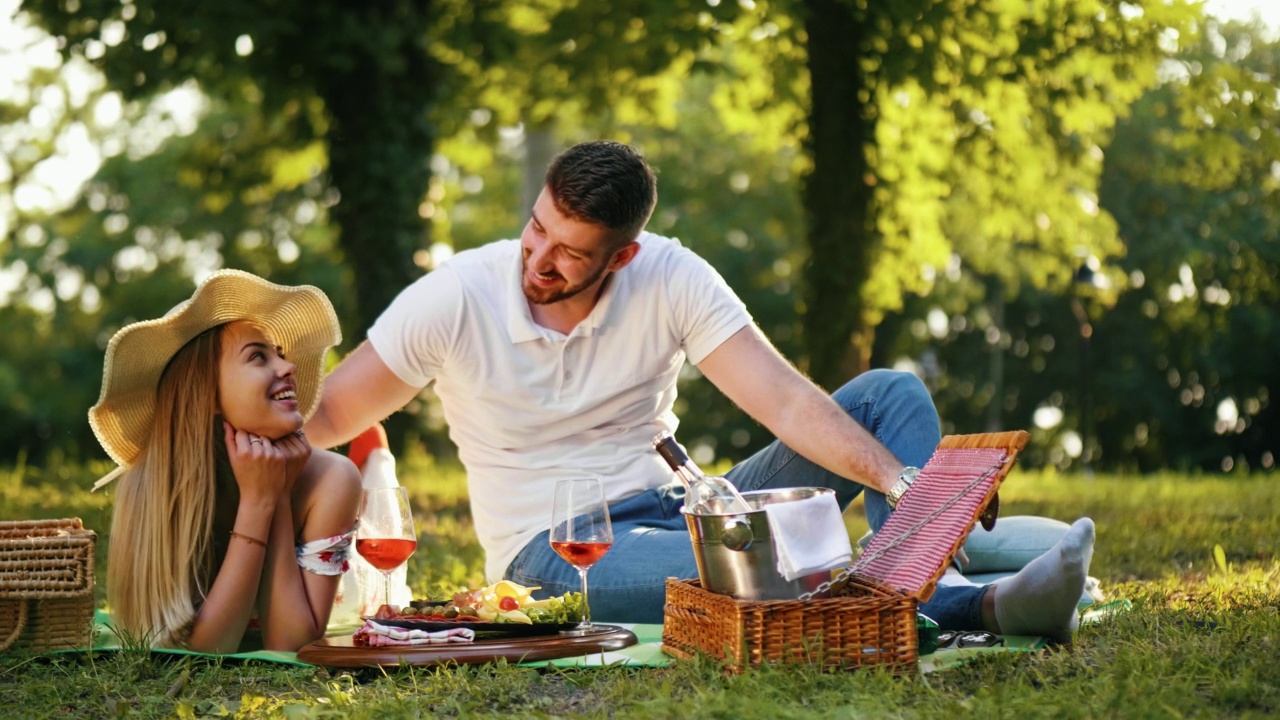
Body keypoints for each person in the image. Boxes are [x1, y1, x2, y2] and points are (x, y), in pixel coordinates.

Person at [305, 140, 1094, 640]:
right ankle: (978, 604)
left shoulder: (671, 275)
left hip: (681, 507)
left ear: (620, 257)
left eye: (569, 252)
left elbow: (785, 402)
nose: (537, 260)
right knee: (768, 577)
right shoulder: (457, 296)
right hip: (552, 550)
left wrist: (898, 480)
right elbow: (335, 411)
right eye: (537, 229)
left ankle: (938, 567)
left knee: (890, 398)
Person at [89, 270, 363, 652]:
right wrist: (257, 502)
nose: (287, 368)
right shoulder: (151, 485)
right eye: (258, 357)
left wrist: (276, 498)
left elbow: (290, 643)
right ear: (208, 395)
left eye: (281, 355)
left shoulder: (331, 478)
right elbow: (204, 651)